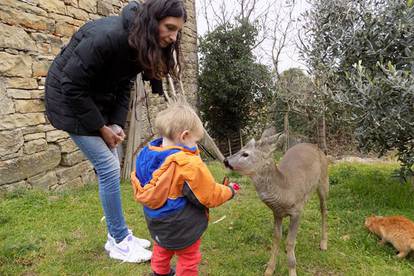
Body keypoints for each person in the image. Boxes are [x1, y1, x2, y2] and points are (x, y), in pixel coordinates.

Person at [44, 0, 187, 263]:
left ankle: (117, 235)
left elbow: (124, 85)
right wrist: (100, 127)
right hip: (67, 100)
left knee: (111, 161)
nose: (173, 37)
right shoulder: (108, 37)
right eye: (169, 28)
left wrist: (116, 125)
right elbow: (71, 85)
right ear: (152, 21)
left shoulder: (138, 42)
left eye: (177, 31)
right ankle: (120, 241)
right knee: (109, 168)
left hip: (93, 102)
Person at [131, 102, 238, 276]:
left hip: (156, 221)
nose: (196, 145)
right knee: (188, 257)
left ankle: (159, 273)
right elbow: (208, 195)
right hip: (181, 224)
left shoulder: (145, 154)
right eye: (195, 141)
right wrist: (230, 191)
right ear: (185, 135)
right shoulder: (188, 164)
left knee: (162, 248)